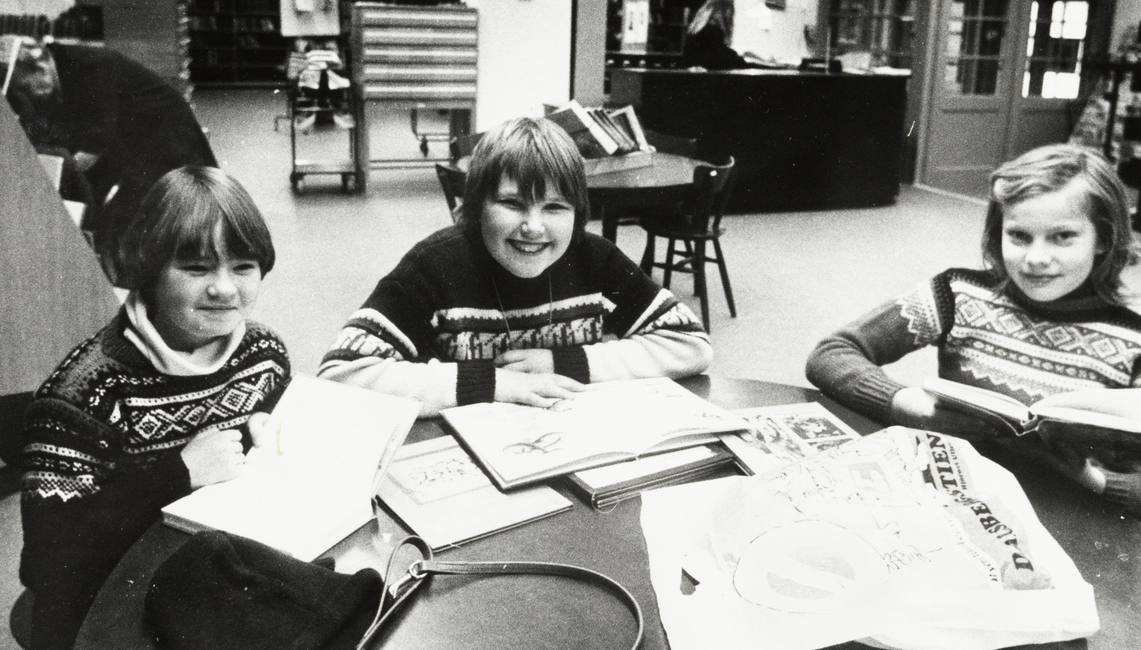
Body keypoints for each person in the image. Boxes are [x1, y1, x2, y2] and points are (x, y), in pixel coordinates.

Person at [805, 144, 1141, 521]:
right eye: (1018, 235)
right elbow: (831, 354)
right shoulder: (957, 294)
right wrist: (900, 401)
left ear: (1103, 240)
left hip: (1058, 519)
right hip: (948, 502)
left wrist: (1086, 474)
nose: (1035, 258)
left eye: (1063, 236)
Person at [20, 166, 291, 650]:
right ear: (149, 270)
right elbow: (47, 559)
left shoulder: (264, 356)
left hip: (220, 577)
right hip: (109, 601)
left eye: (242, 267)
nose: (224, 289)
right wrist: (176, 475)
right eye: (196, 268)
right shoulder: (81, 396)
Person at [318, 116, 712, 416]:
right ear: (475, 208)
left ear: (577, 214)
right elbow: (340, 376)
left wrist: (566, 362)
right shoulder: (435, 264)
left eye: (555, 207)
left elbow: (691, 345)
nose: (534, 227)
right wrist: (489, 383)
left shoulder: (596, 259)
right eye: (512, 204)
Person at [1, 34, 218, 270]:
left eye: (24, 86)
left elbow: (93, 147)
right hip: (125, 136)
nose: (29, 94)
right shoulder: (52, 73)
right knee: (104, 209)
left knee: (165, 202)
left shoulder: (93, 66)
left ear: (41, 65)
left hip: (160, 129)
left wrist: (55, 179)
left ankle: (188, 262)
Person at [681, 0, 771, 71]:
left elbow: (716, 52)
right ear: (726, 11)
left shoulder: (700, 27)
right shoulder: (712, 29)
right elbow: (720, 59)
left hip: (691, 76)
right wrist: (745, 61)